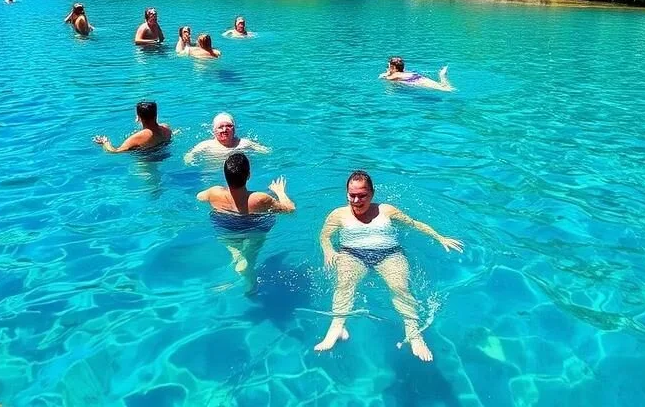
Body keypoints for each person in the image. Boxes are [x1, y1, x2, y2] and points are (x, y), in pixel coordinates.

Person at [315, 170, 464, 362]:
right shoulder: (338, 215)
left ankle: (413, 334)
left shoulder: (386, 211)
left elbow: (414, 224)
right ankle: (337, 327)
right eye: (352, 195)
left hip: (389, 254)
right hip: (352, 254)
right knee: (344, 285)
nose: (356, 200)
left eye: (362, 195)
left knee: (401, 288)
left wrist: (439, 237)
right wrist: (328, 251)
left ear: (372, 194)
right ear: (346, 194)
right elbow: (325, 236)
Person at [197, 153, 295, 282]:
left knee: (230, 242)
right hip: (252, 228)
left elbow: (199, 197)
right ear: (248, 175)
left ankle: (236, 254)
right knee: (253, 248)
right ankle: (248, 266)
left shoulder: (214, 193)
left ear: (225, 175)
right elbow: (290, 210)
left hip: (225, 225)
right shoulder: (260, 199)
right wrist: (280, 192)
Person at [184, 113, 268, 164]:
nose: (224, 130)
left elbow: (266, 152)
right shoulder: (205, 146)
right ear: (214, 131)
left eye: (229, 126)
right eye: (220, 127)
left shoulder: (243, 144)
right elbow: (188, 157)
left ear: (234, 129)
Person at [93, 101, 172, 153]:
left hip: (146, 163)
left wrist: (105, 142)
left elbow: (114, 151)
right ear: (156, 115)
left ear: (138, 118)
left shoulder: (137, 137)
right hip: (165, 156)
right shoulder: (166, 128)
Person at [380, 57, 452, 92]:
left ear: (394, 68)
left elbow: (383, 78)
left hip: (415, 81)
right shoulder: (404, 72)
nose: (388, 68)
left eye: (389, 66)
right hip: (418, 77)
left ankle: (442, 76)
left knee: (447, 89)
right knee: (445, 87)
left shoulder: (395, 75)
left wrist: (386, 74)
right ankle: (442, 76)